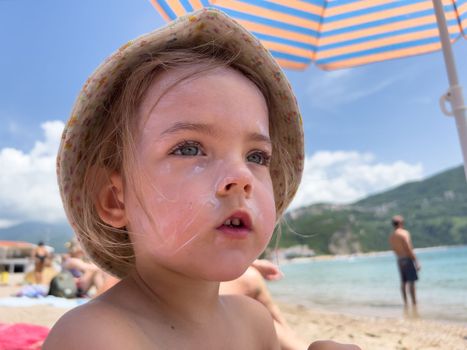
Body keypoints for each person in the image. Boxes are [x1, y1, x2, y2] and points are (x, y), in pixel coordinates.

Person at [44, 9, 359, 350]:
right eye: (189, 148)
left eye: (256, 156)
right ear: (115, 199)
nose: (241, 177)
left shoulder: (254, 322)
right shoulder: (94, 335)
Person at [389, 215, 421, 308]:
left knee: (403, 282)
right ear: (400, 223)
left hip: (399, 259)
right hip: (407, 258)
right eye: (403, 222)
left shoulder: (392, 236)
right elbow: (408, 247)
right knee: (411, 282)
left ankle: (405, 303)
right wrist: (416, 260)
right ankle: (414, 304)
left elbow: (394, 249)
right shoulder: (404, 233)